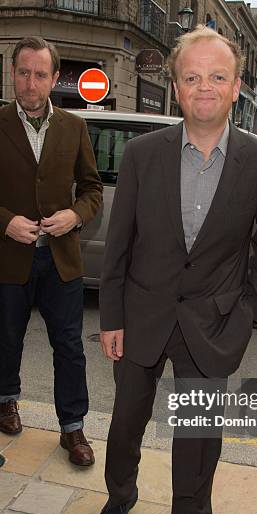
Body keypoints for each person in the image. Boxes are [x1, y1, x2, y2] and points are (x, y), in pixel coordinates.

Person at [97, 26, 257, 514]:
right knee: (127, 420)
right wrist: (111, 317)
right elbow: (119, 243)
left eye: (217, 77)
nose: (205, 87)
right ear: (177, 89)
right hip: (139, 317)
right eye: (192, 77)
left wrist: (247, 315)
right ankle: (119, 495)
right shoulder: (141, 155)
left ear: (235, 90)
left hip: (213, 326)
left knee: (198, 441)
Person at [0, 37, 102, 466]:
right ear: (12, 73)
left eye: (40, 74)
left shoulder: (74, 127)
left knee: (69, 346)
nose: (30, 82)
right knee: (6, 339)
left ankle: (72, 428)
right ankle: (6, 401)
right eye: (23, 72)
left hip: (60, 257)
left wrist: (75, 217)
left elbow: (93, 190)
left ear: (55, 78)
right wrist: (5, 221)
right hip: (9, 256)